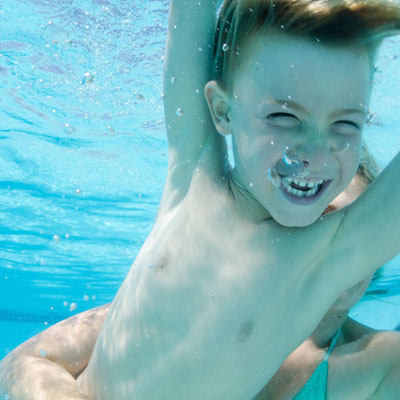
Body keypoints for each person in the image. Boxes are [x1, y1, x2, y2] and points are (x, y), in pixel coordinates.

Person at [1, 0, 400, 399]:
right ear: (222, 111)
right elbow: (191, 13)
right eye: (283, 117)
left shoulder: (323, 263)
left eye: (345, 124)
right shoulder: (194, 177)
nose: (314, 152)